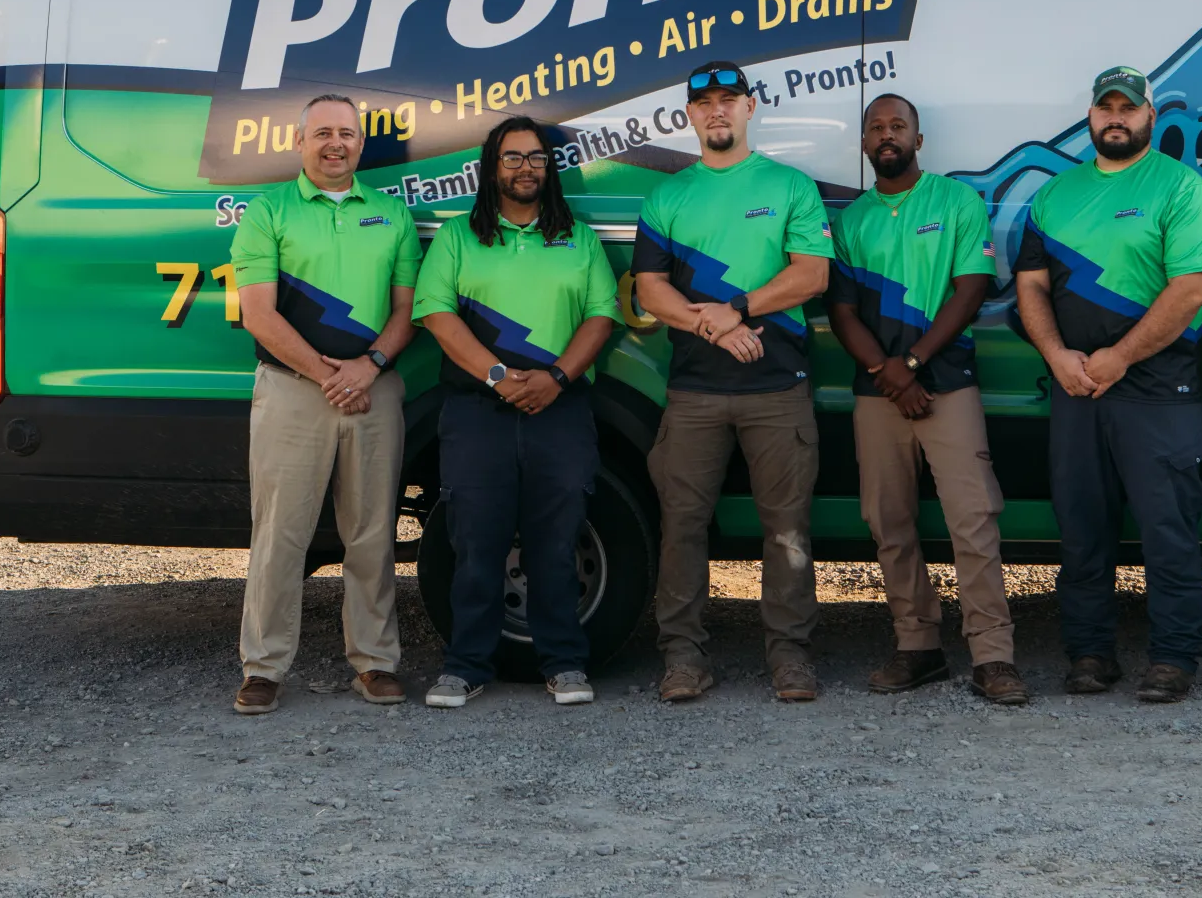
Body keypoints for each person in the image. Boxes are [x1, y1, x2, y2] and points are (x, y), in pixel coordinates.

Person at [1015, 66, 1202, 704]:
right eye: (1106, 107)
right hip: (1076, 390)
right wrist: (1056, 355)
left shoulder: (1181, 188)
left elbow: (1193, 287)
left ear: (1149, 116)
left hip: (1157, 391)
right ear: (1090, 116)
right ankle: (1088, 653)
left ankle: (1173, 658)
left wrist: (1120, 358)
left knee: (1168, 531)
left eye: (1127, 108)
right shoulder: (1055, 195)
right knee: (1082, 530)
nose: (1116, 117)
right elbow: (1030, 284)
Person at [632, 60, 834, 704]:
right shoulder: (667, 196)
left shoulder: (790, 186)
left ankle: (790, 655)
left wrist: (737, 307)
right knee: (682, 525)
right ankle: (684, 656)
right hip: (694, 390)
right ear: (689, 116)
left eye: (729, 99)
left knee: (787, 528)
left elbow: (812, 276)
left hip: (778, 386)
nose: (717, 111)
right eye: (704, 103)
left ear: (750, 108)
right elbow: (649, 288)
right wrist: (714, 326)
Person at [413, 116, 622, 709]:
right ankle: (465, 665)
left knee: (555, 539)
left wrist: (555, 377)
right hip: (479, 409)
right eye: (512, 158)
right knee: (476, 539)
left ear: (548, 168)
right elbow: (435, 312)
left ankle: (564, 663)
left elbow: (601, 316)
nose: (525, 167)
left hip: (560, 408)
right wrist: (500, 377)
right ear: (492, 166)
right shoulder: (459, 237)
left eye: (535, 157)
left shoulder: (578, 238)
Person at [828, 94, 1026, 705]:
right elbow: (840, 311)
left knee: (973, 520)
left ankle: (993, 657)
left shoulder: (956, 201)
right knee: (888, 522)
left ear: (919, 138)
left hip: (947, 384)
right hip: (877, 391)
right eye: (876, 127)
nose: (887, 135)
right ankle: (917, 648)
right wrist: (886, 373)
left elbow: (970, 290)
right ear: (864, 144)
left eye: (898, 126)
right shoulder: (851, 221)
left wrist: (911, 365)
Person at [230, 93, 421, 715]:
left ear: (361, 145)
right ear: (300, 141)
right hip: (291, 392)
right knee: (280, 534)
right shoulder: (268, 212)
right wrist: (325, 374)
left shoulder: (391, 214)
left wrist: (369, 367)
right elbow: (258, 313)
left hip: (375, 390)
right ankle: (263, 668)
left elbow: (406, 311)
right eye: (322, 134)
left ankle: (375, 662)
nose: (335, 144)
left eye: (347, 134)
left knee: (370, 534)